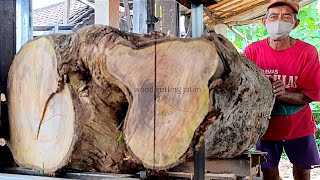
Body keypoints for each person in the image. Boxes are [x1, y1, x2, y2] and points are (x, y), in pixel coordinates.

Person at [243, 0, 320, 179]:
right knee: (268, 172)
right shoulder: (253, 51)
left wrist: (283, 94)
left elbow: (309, 95)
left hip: (298, 125)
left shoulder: (307, 52)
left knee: (302, 172)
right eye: (273, 16)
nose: (279, 21)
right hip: (265, 126)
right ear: (264, 21)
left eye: (286, 17)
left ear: (296, 23)